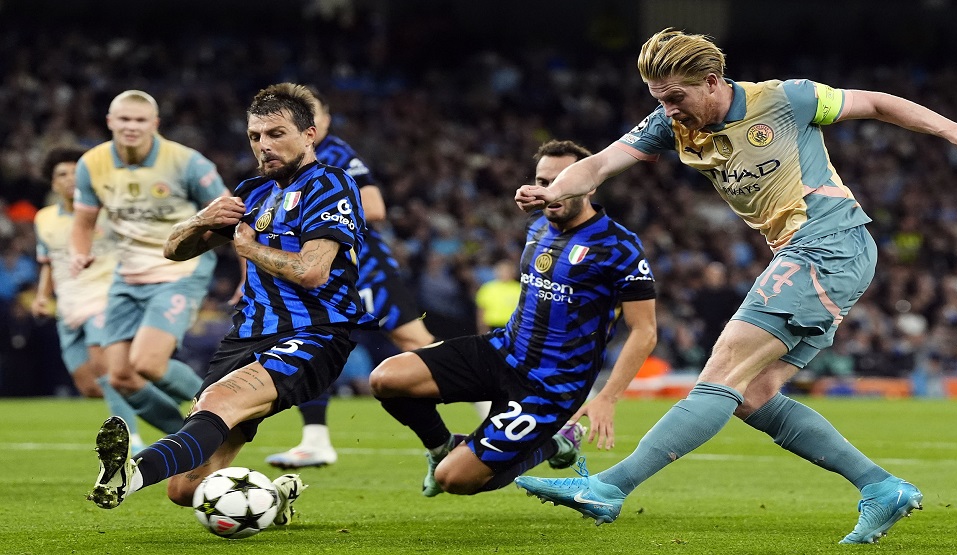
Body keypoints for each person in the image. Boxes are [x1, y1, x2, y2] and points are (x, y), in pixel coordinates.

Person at [514, 28, 957, 544]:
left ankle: (609, 487)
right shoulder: (669, 125)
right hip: (811, 253)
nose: (670, 109)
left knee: (721, 375)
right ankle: (881, 488)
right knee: (752, 395)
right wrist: (553, 192)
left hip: (827, 242)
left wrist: (955, 132)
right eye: (660, 100)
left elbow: (875, 103)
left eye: (677, 97)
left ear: (712, 81)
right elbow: (602, 163)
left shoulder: (785, 98)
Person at [87, 83, 373, 524]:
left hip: (314, 332)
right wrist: (201, 219)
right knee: (187, 489)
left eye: (276, 134)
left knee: (219, 399)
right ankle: (274, 499)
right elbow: (175, 251)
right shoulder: (253, 191)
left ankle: (131, 472)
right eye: (256, 136)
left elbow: (313, 271)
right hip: (247, 336)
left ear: (310, 134)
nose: (264, 145)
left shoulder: (330, 184)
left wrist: (251, 249)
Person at [369, 139, 657, 497]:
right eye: (542, 180)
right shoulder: (537, 226)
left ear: (589, 183)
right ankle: (442, 445)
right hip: (503, 350)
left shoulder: (618, 246)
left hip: (551, 384)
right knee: (386, 378)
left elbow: (644, 331)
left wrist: (608, 397)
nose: (549, 191)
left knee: (453, 479)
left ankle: (552, 443)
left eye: (561, 181)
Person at [264, 87, 435, 470]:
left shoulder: (337, 154)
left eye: (315, 115)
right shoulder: (283, 164)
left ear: (319, 122)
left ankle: (489, 407)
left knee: (414, 342)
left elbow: (374, 209)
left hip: (365, 269)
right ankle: (315, 441)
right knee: (311, 344)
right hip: (323, 272)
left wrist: (320, 212)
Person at [70, 90, 230, 436]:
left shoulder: (187, 162)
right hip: (126, 275)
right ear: (110, 121)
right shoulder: (91, 164)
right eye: (124, 119)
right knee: (121, 377)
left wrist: (248, 274)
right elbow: (82, 223)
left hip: (180, 270)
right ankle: (192, 445)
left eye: (140, 120)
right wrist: (79, 253)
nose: (131, 127)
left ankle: (225, 409)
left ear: (155, 124)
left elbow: (230, 216)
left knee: (147, 363)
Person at [32, 148, 144, 451]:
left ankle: (130, 439)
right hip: (67, 307)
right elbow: (49, 262)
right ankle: (147, 387)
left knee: (106, 370)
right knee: (90, 386)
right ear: (52, 183)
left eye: (74, 173)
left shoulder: (107, 212)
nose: (69, 180)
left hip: (104, 299)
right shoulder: (43, 219)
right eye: (61, 175)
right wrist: (42, 297)